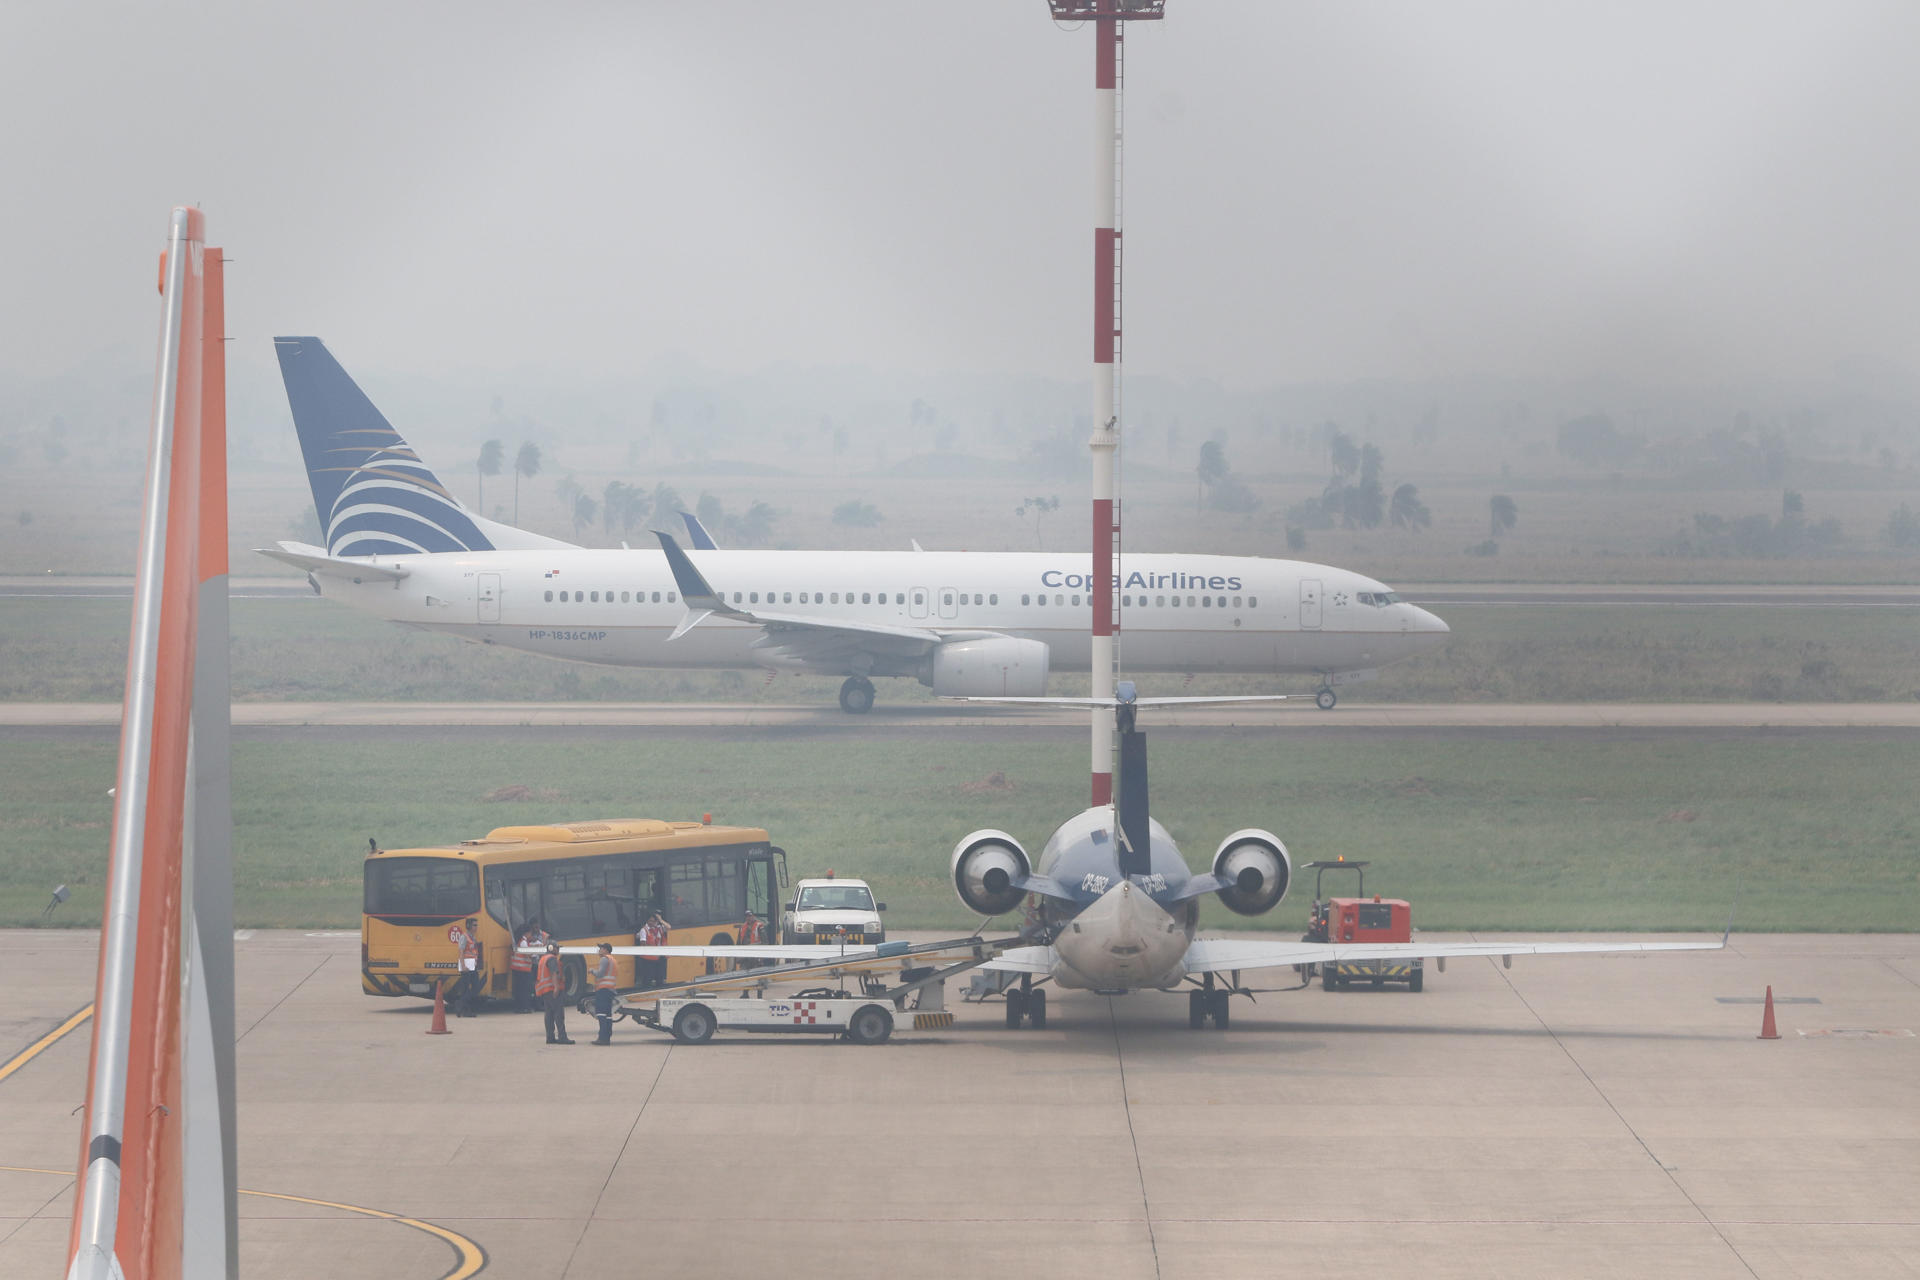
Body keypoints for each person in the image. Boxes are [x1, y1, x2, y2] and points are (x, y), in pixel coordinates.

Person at [536, 942, 573, 1045]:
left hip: (545, 990)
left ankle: (550, 1037)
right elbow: (554, 973)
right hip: (552, 989)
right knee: (558, 1013)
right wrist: (556, 987)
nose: (559, 950)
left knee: (549, 1014)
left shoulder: (543, 958)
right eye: (557, 948)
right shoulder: (551, 959)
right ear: (552, 948)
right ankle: (562, 1037)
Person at [449, 916, 483, 1017]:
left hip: (472, 966)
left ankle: (461, 1004)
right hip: (466, 967)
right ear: (468, 926)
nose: (476, 927)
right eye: (474, 925)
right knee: (467, 989)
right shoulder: (464, 937)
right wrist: (463, 966)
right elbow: (461, 951)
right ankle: (465, 1009)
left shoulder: (473, 937)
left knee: (475, 987)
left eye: (476, 925)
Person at [590, 941, 618, 1045]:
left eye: (601, 948)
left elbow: (600, 974)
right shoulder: (613, 960)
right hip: (610, 990)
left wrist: (592, 971)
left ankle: (602, 1038)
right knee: (608, 1014)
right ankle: (607, 1037)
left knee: (601, 1013)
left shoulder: (604, 959)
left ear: (606, 950)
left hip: (603, 990)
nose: (599, 950)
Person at [509, 923, 541, 1013]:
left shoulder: (518, 940)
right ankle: (524, 1007)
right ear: (526, 933)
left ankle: (520, 1007)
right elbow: (528, 954)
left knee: (519, 989)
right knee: (524, 990)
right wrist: (535, 953)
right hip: (523, 969)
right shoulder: (523, 942)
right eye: (530, 933)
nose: (531, 935)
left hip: (517, 969)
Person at [637, 911, 671, 989]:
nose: (651, 923)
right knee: (648, 978)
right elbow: (643, 944)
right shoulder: (644, 930)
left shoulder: (660, 928)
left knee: (660, 978)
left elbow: (669, 927)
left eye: (654, 921)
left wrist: (661, 920)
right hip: (648, 958)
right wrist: (653, 949)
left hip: (660, 957)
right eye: (650, 921)